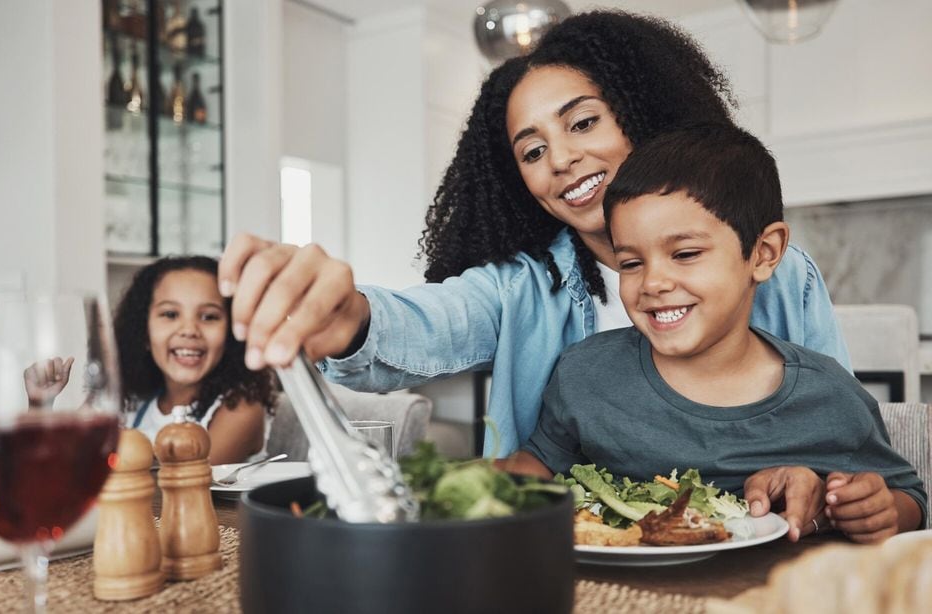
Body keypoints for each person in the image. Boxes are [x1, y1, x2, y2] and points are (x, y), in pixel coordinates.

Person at [217, 11, 849, 459]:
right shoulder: (524, 287)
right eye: (531, 150)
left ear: (644, 114)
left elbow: (840, 436)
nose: (561, 159)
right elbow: (420, 323)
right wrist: (347, 317)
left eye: (583, 122)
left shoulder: (783, 274)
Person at [506, 123, 925, 544]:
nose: (652, 283)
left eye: (685, 254)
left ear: (763, 254)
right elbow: (539, 462)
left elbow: (907, 497)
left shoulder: (830, 396)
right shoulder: (585, 373)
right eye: (631, 263)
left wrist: (880, 510)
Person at [113, 255, 275, 465]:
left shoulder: (241, 410)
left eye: (209, 317)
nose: (189, 330)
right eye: (170, 314)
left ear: (232, 334)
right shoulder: (134, 404)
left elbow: (184, 482)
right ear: (143, 332)